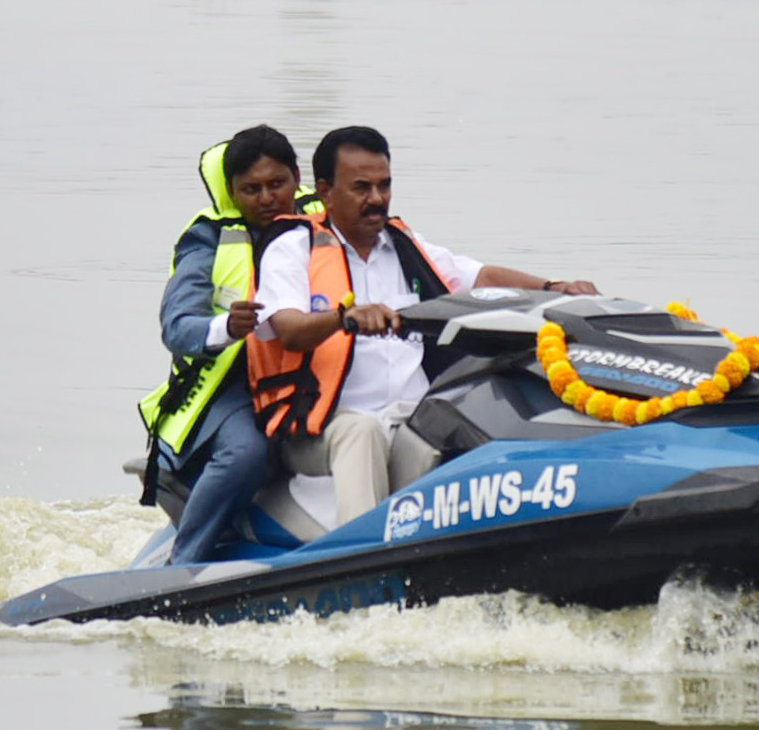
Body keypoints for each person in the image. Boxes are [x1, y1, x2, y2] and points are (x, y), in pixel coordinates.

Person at [246, 125, 597, 522]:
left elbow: (478, 277)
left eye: (384, 185)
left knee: (486, 407)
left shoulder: (403, 243)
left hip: (411, 414)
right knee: (361, 433)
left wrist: (554, 287)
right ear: (326, 191)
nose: (376, 199)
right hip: (320, 427)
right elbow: (289, 329)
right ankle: (362, 557)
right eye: (362, 188)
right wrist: (343, 318)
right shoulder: (292, 248)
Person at [139, 126, 306, 564]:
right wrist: (226, 327)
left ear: (297, 177)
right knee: (246, 453)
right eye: (251, 189)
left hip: (313, 373)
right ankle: (183, 566)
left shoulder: (325, 226)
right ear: (232, 192)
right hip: (233, 388)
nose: (267, 198)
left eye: (276, 184)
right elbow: (177, 326)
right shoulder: (207, 240)